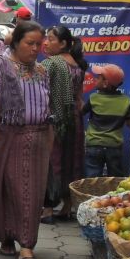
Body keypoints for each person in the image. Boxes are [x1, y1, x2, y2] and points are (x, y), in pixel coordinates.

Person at [0, 20, 52, 259]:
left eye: (39, 44)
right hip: (7, 135)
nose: (35, 49)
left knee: (29, 191)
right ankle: (20, 244)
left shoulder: (42, 71)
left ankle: (21, 242)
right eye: (30, 43)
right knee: (10, 187)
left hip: (38, 137)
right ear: (16, 42)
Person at [40, 25, 88, 222]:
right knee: (72, 161)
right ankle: (68, 205)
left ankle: (48, 209)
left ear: (63, 43)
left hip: (54, 120)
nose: (46, 42)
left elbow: (41, 94)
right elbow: (79, 98)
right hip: (74, 119)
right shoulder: (77, 65)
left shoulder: (51, 64)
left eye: (51, 39)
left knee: (52, 162)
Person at [83, 64, 130, 178]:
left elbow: (81, 111)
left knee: (92, 179)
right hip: (114, 146)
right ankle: (113, 196)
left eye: (99, 77)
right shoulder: (126, 101)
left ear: (105, 83)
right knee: (115, 179)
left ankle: (93, 195)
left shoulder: (93, 98)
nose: (95, 78)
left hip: (94, 144)